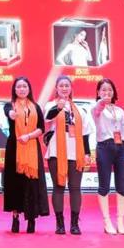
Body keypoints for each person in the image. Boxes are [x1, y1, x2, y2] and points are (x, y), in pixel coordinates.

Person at [44, 75, 94, 235]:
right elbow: (47, 118)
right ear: (56, 89)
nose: (64, 88)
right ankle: (60, 224)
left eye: (67, 85)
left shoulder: (79, 109)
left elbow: (85, 134)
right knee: (58, 187)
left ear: (71, 88)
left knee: (75, 188)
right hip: (56, 151)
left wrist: (87, 153)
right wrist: (58, 107)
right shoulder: (51, 105)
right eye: (61, 86)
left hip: (75, 152)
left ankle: (74, 223)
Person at [2, 76, 49, 233]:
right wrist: (11, 114)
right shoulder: (10, 105)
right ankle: (15, 217)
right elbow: (8, 112)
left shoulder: (36, 106)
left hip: (31, 146)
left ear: (29, 89)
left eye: (24, 86)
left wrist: (28, 136)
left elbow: (41, 128)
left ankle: (31, 220)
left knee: (31, 184)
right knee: (15, 183)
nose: (21, 89)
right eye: (18, 87)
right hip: (14, 148)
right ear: (14, 90)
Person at [92, 78, 124, 235]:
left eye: (110, 90)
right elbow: (98, 109)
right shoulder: (96, 108)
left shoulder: (119, 111)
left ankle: (120, 221)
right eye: (103, 90)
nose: (107, 92)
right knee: (104, 185)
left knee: (122, 185)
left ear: (114, 92)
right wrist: (102, 101)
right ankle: (107, 221)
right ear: (98, 92)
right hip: (104, 147)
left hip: (121, 148)